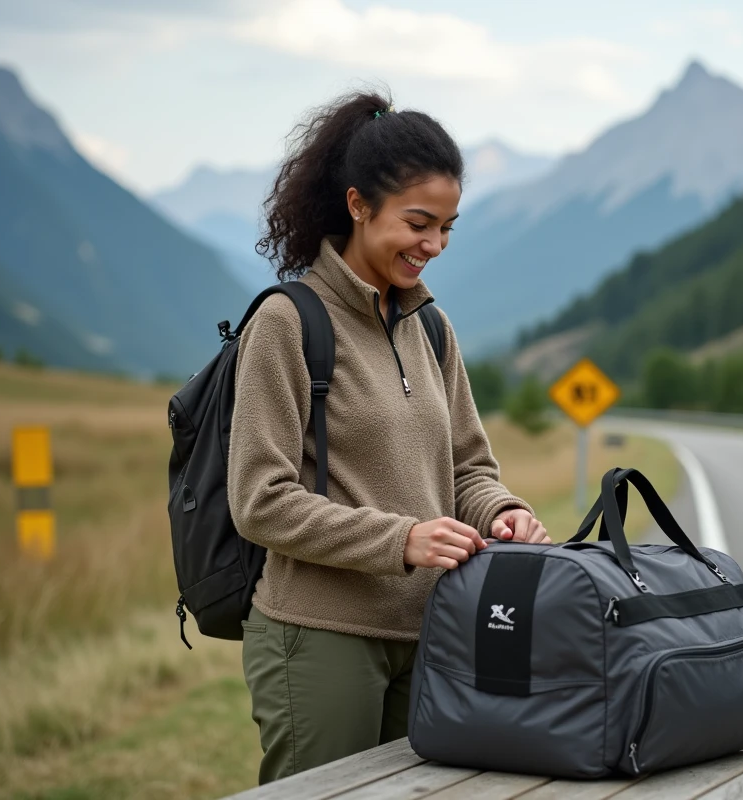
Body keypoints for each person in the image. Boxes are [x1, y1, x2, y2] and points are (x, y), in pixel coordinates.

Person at [227, 90, 549, 785]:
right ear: (357, 205)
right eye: (418, 222)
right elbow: (259, 500)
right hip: (320, 639)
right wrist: (400, 541)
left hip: (432, 632)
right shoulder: (288, 322)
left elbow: (468, 468)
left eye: (447, 228)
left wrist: (501, 511)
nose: (432, 245)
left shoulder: (432, 327)